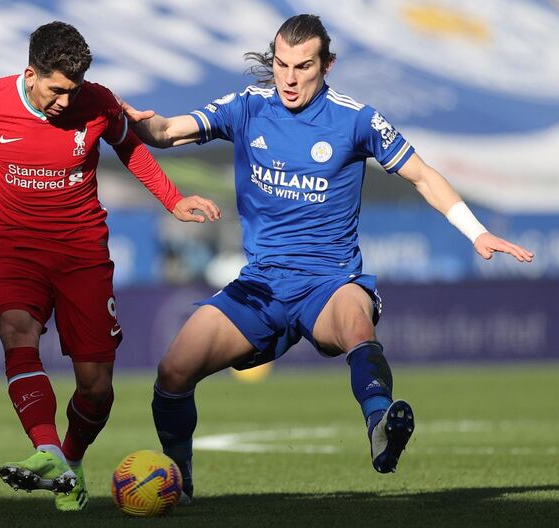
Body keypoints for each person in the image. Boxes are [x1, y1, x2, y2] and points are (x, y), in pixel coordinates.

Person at [120, 14, 534, 502]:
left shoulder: (356, 119)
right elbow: (167, 132)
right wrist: (126, 119)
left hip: (330, 281)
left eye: (303, 66)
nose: (290, 78)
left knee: (357, 326)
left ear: (327, 65)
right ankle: (180, 479)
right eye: (281, 64)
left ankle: (381, 425)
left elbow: (421, 174)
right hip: (261, 285)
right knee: (172, 372)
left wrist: (476, 231)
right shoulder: (246, 107)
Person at [0, 21, 220, 511]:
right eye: (56, 90)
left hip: (82, 253)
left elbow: (129, 146)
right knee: (16, 328)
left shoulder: (99, 102)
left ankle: (68, 464)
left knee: (96, 387)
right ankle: (46, 449)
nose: (66, 102)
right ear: (31, 73)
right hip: (13, 246)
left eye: (73, 91)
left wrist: (171, 200)